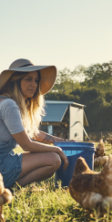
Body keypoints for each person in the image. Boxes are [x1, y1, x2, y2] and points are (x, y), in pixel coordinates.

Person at [0, 58, 69, 188]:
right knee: (53, 159)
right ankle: (9, 189)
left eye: (36, 80)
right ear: (15, 81)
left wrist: (63, 142)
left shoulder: (7, 101)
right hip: (1, 163)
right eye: (28, 79)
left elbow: (32, 133)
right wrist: (57, 149)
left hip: (4, 160)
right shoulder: (9, 105)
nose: (34, 84)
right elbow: (26, 144)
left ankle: (8, 188)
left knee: (52, 157)